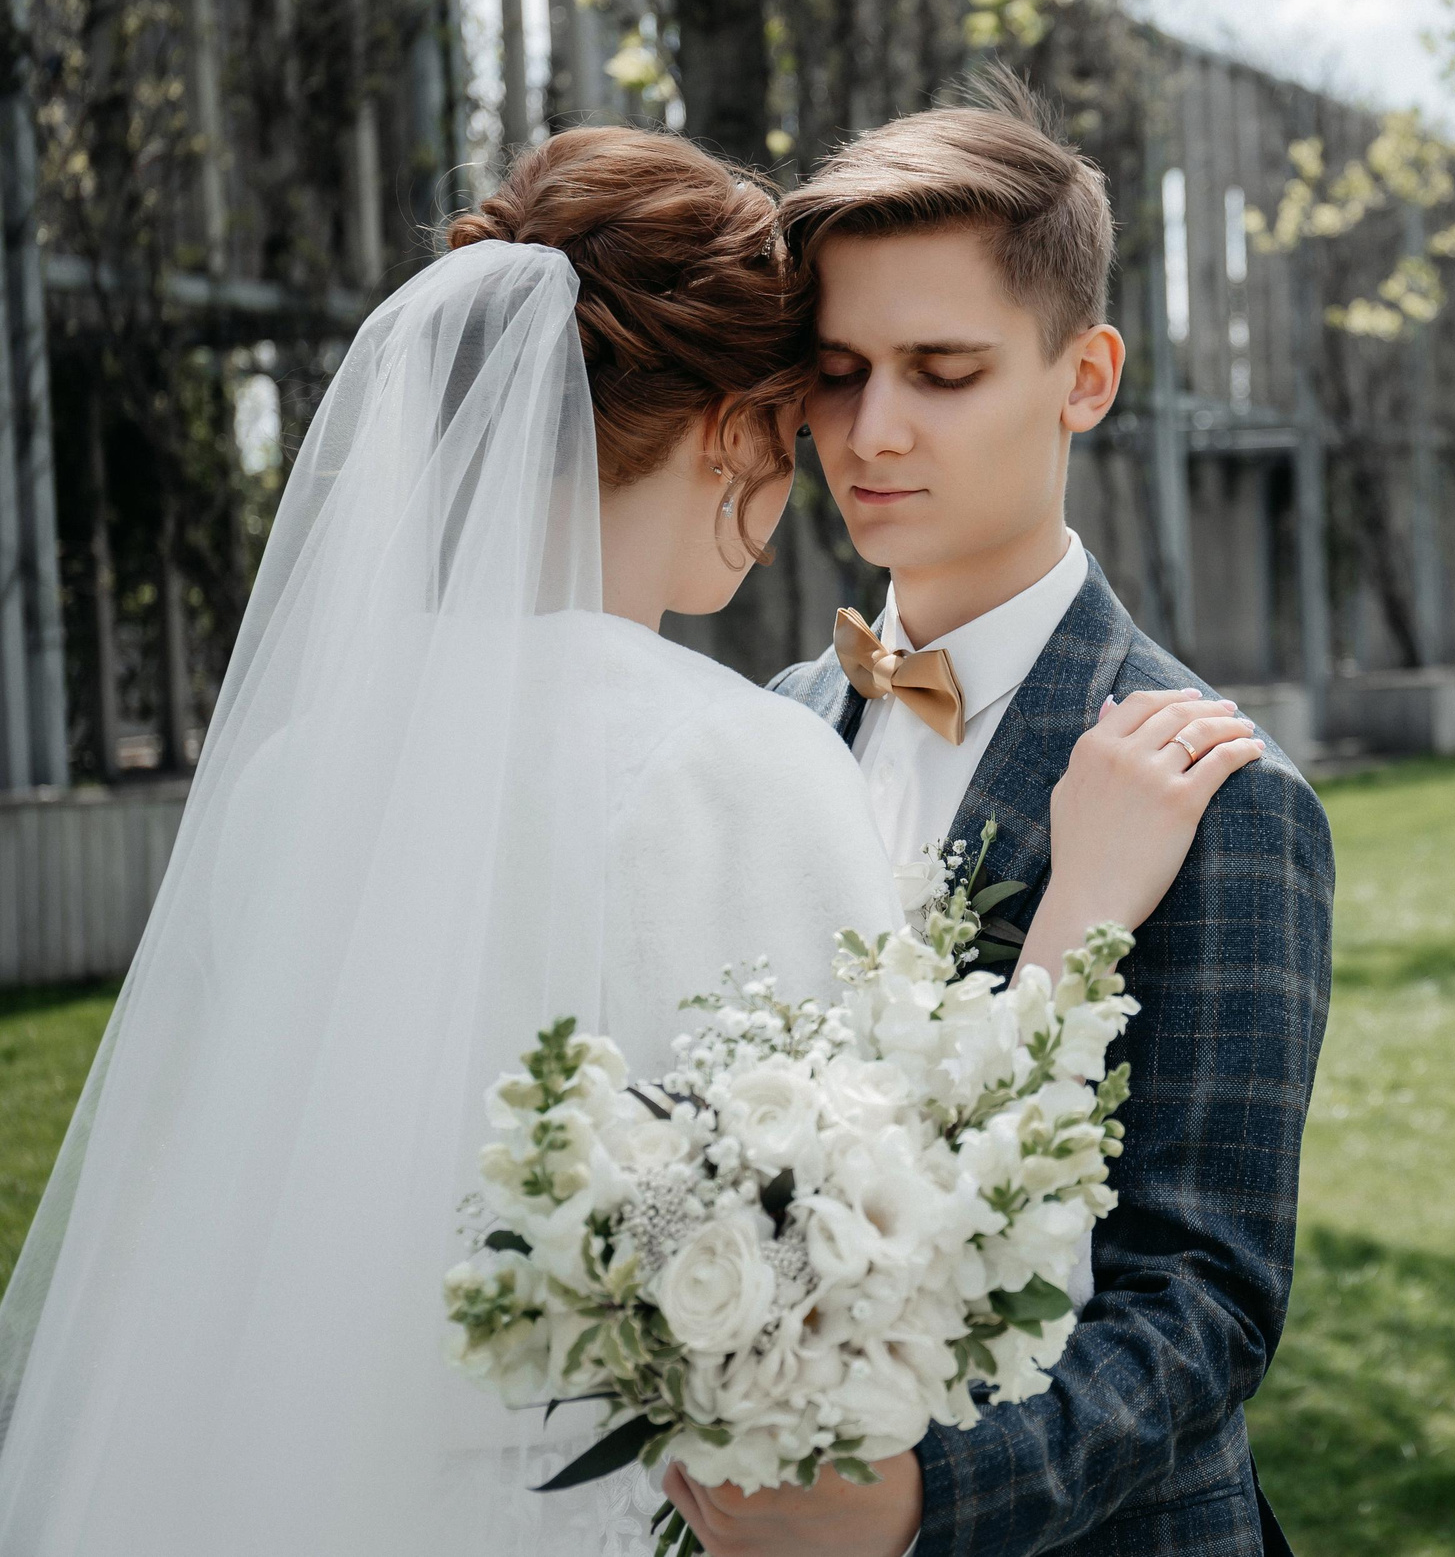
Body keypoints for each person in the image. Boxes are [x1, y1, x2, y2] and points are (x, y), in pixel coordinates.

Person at [0, 128, 1259, 1556]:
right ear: (730, 428)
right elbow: (874, 1258)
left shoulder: (300, 770)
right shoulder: (738, 752)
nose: (837, 461)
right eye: (806, 413)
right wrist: (1075, 929)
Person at [684, 70, 1334, 1557]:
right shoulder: (779, 723)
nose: (873, 431)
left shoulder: (1226, 803)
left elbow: (1205, 1297)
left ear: (1084, 378)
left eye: (944, 369)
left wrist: (921, 1502)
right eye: (840, 372)